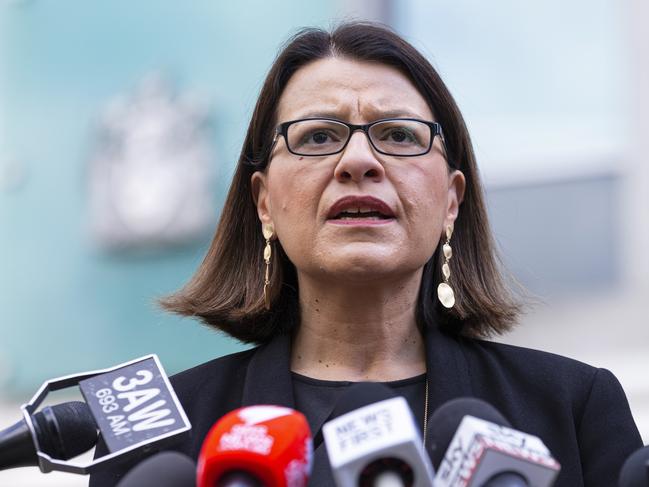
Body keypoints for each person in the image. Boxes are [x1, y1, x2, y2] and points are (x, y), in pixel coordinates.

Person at [90, 22, 642, 486]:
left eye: (400, 135)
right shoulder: (162, 440)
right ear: (264, 202)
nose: (358, 161)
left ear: (451, 201)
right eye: (317, 136)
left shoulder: (572, 406)